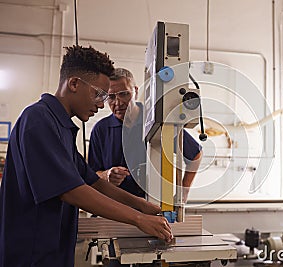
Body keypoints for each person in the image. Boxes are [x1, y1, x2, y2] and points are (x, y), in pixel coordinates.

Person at [0, 45, 172, 267]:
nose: (102, 104)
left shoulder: (62, 127)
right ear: (74, 84)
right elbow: (71, 190)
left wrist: (141, 205)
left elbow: (91, 180)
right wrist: (138, 218)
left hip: (54, 247)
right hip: (30, 251)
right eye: (100, 94)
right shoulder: (38, 120)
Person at [88, 68, 203, 203]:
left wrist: (183, 193)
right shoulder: (101, 129)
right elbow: (92, 175)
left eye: (124, 94)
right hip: (114, 207)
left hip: (150, 206)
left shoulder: (156, 123)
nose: (118, 103)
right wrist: (106, 175)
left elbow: (195, 154)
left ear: (136, 91)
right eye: (111, 97)